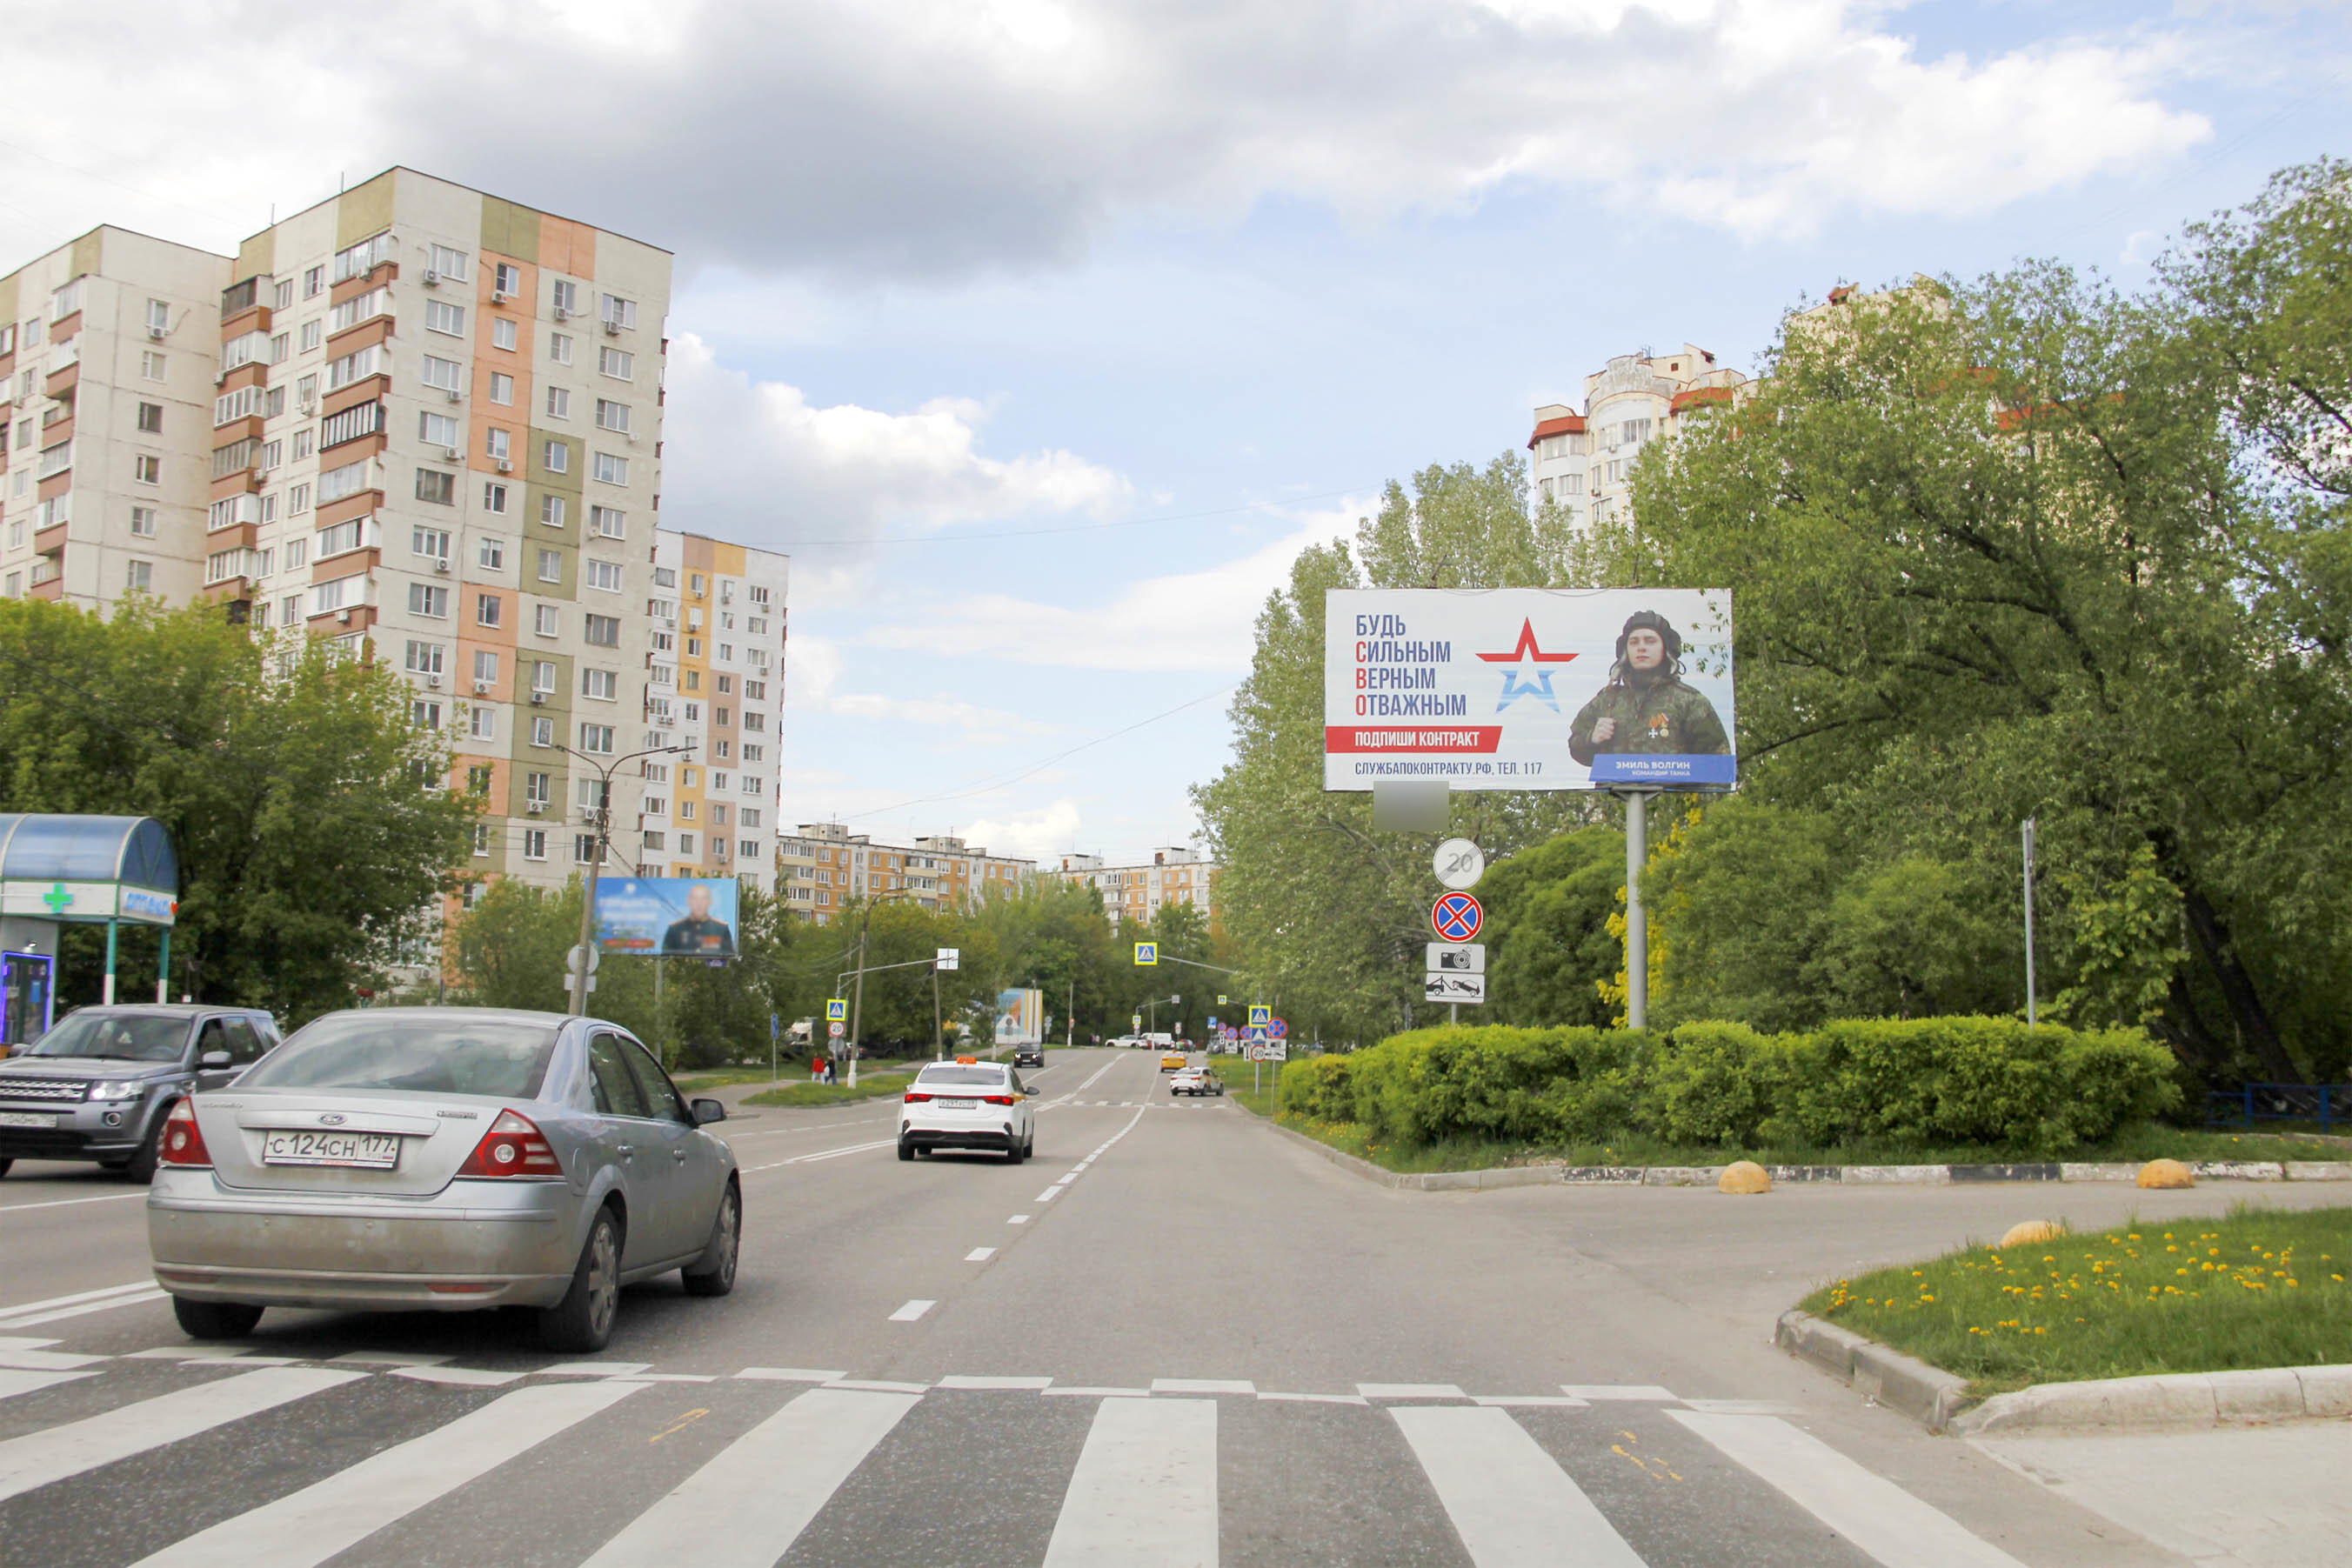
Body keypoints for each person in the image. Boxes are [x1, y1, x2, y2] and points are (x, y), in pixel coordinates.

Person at [1568, 610, 1731, 766]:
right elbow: (1576, 746)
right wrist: (1592, 738)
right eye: (1634, 642)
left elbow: (1717, 761)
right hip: (1615, 794)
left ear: (1665, 649)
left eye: (1650, 641)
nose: (1641, 647)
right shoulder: (1607, 700)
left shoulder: (1689, 701)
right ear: (1626, 650)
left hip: (1672, 794)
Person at [660, 883, 737, 956]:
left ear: (710, 902)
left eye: (703, 899)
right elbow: (666, 959)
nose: (699, 903)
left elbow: (728, 959)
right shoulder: (675, 929)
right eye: (695, 898)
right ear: (689, 901)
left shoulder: (721, 929)